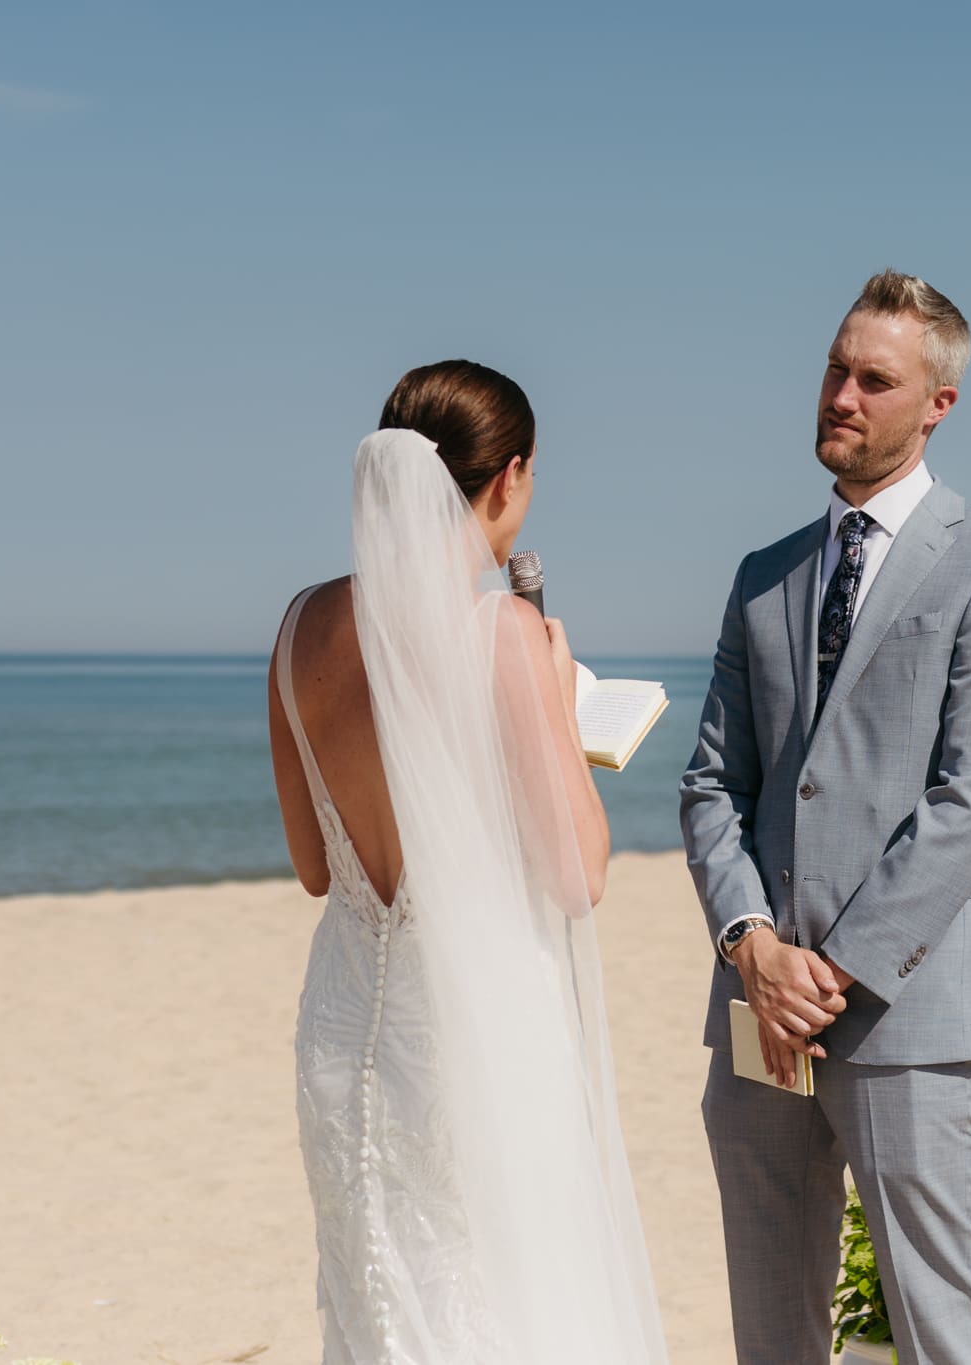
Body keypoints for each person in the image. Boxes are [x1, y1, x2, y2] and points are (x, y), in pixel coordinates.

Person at [680, 271, 971, 1365]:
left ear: (936, 404)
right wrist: (750, 945)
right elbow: (714, 783)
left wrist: (828, 972)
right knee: (770, 1321)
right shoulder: (762, 578)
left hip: (909, 1012)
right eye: (834, 369)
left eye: (872, 379)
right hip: (758, 1008)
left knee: (943, 1318)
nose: (840, 395)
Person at [268, 360, 666, 1364]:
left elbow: (316, 868)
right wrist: (553, 703)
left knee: (379, 1287)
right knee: (497, 1292)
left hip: (345, 1011)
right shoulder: (500, 634)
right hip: (470, 1026)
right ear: (510, 477)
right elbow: (577, 876)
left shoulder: (300, 626)